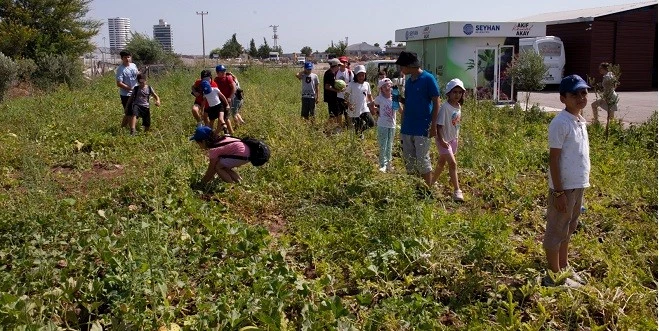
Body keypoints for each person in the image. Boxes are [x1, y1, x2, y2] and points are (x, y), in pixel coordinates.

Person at [543, 74, 591, 288]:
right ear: (563, 98)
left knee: (568, 228)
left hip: (577, 185)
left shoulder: (579, 121)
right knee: (556, 230)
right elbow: (554, 159)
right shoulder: (560, 123)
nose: (581, 97)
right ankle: (554, 276)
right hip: (563, 188)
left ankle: (564, 265)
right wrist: (559, 192)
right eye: (574, 94)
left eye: (584, 92)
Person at [395, 51, 440, 187]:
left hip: (422, 127)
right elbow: (409, 101)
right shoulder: (409, 82)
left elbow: (437, 101)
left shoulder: (428, 78)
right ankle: (415, 189)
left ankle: (427, 190)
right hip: (408, 127)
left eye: (402, 66)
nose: (401, 70)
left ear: (410, 65)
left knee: (422, 160)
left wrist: (433, 125)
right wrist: (400, 99)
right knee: (409, 160)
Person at [431, 79, 464, 201]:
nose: (457, 95)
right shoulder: (445, 107)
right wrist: (442, 140)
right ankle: (457, 191)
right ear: (448, 93)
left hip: (453, 139)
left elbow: (456, 124)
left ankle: (431, 182)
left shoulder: (458, 106)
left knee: (441, 163)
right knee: (453, 164)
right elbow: (438, 126)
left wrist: (457, 138)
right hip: (443, 140)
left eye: (460, 92)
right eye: (454, 92)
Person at [372, 78, 400, 172]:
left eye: (388, 85)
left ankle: (389, 164)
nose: (387, 87)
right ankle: (382, 165)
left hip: (392, 125)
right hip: (382, 125)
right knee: (383, 144)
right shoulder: (380, 98)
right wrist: (376, 111)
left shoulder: (394, 97)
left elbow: (400, 109)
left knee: (390, 145)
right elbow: (372, 104)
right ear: (381, 89)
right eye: (384, 86)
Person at [345, 65, 375, 139]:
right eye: (359, 75)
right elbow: (345, 96)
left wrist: (373, 105)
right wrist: (349, 105)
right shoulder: (351, 84)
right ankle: (358, 139)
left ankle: (359, 132)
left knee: (371, 123)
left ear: (365, 75)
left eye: (363, 75)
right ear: (355, 75)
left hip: (364, 108)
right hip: (355, 109)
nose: (361, 77)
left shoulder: (366, 84)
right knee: (357, 125)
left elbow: (369, 96)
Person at [116, 50, 139, 130]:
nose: (127, 59)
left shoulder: (133, 65)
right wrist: (130, 88)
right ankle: (132, 131)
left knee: (129, 113)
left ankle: (122, 128)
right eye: (125, 57)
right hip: (126, 95)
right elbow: (119, 83)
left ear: (131, 57)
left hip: (136, 93)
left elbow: (137, 75)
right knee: (132, 113)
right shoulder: (120, 69)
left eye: (128, 57)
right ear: (122, 58)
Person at [214, 65, 236, 134]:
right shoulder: (216, 80)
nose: (224, 72)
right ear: (217, 72)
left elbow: (234, 88)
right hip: (220, 101)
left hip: (227, 100)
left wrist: (230, 97)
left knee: (225, 118)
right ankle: (224, 131)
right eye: (222, 71)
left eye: (224, 70)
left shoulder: (228, 78)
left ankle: (231, 133)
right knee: (221, 117)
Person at [323, 58, 343, 128]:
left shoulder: (330, 72)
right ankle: (326, 128)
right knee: (333, 115)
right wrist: (337, 91)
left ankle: (332, 128)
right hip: (331, 97)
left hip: (332, 97)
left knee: (335, 114)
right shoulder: (330, 73)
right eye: (339, 65)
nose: (339, 67)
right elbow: (327, 86)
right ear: (336, 65)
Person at [336, 56, 354, 127]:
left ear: (347, 63)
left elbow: (352, 83)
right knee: (339, 113)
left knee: (348, 113)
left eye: (345, 62)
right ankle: (340, 127)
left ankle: (349, 127)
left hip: (347, 96)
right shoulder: (336, 72)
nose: (343, 63)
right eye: (342, 62)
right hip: (338, 96)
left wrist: (345, 86)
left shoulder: (349, 72)